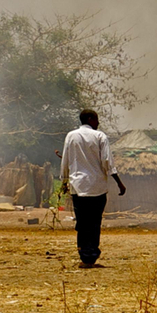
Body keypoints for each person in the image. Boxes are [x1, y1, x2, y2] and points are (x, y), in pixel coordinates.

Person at [60, 110, 126, 268]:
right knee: (95, 222)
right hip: (97, 188)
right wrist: (119, 182)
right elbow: (107, 161)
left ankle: (84, 255)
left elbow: (66, 160)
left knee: (82, 223)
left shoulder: (71, 136)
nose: (99, 123)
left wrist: (63, 181)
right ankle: (92, 254)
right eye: (97, 119)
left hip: (78, 187)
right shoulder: (100, 136)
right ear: (90, 119)